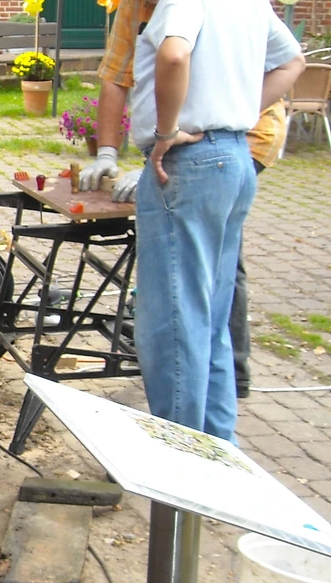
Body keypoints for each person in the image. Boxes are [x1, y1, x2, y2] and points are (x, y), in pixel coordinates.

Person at [79, 0, 303, 441]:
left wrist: (165, 132)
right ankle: (220, 456)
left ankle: (180, 469)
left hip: (189, 163)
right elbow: (293, 60)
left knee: (173, 328)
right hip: (235, 156)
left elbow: (174, 53)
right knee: (211, 322)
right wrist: (237, 107)